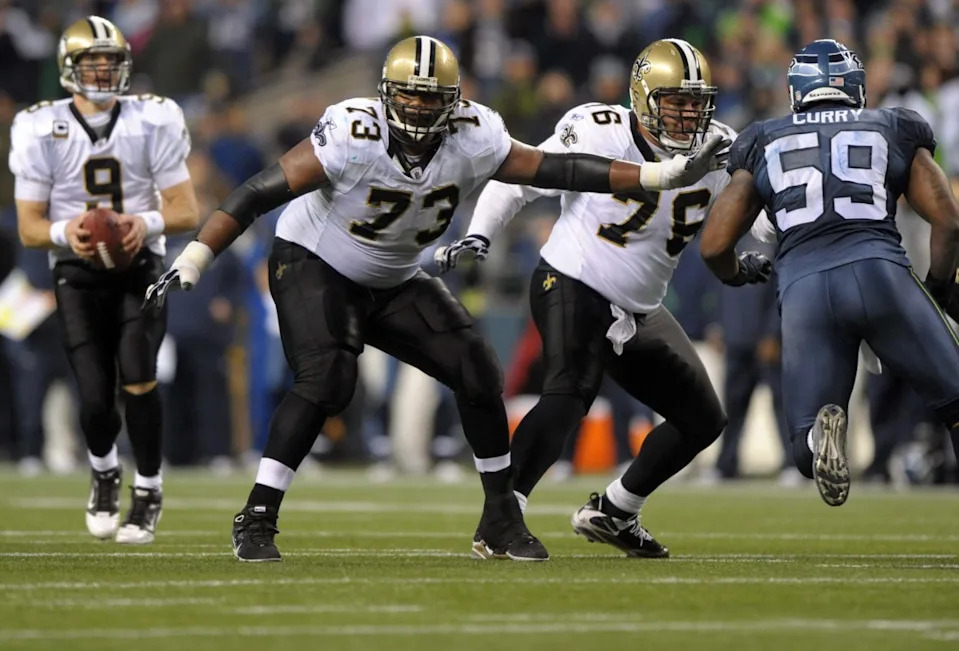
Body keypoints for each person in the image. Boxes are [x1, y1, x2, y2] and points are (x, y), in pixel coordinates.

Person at [142, 35, 729, 563]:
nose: (420, 108)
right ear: (385, 95)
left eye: (432, 98)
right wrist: (195, 256)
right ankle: (258, 514)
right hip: (313, 262)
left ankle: (501, 518)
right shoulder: (352, 133)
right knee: (328, 380)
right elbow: (255, 193)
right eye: (410, 96)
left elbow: (552, 169)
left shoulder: (475, 133)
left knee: (478, 371)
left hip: (395, 276)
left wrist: (655, 178)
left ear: (454, 101)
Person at [437, 38, 770, 558]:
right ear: (641, 98)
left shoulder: (722, 148)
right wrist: (481, 232)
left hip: (640, 307)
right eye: (675, 102)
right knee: (571, 392)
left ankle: (615, 512)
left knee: (703, 418)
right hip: (571, 278)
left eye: (695, 103)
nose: (688, 115)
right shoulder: (599, 129)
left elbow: (762, 218)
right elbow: (519, 179)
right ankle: (501, 520)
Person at [700, 39, 959, 507]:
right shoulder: (891, 125)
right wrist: (937, 290)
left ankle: (821, 440)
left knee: (803, 447)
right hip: (881, 272)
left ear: (796, 91)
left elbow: (714, 244)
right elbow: (948, 219)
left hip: (804, 290)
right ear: (856, 88)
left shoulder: (762, 137)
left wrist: (739, 272)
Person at [9, 16, 198, 542]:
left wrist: (145, 222)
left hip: (141, 266)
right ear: (69, 69)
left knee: (138, 371)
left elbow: (186, 209)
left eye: (110, 62)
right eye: (92, 62)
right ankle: (104, 470)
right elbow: (29, 229)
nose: (102, 72)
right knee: (94, 395)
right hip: (76, 266)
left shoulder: (152, 119)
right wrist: (69, 230)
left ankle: (150, 489)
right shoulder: (40, 126)